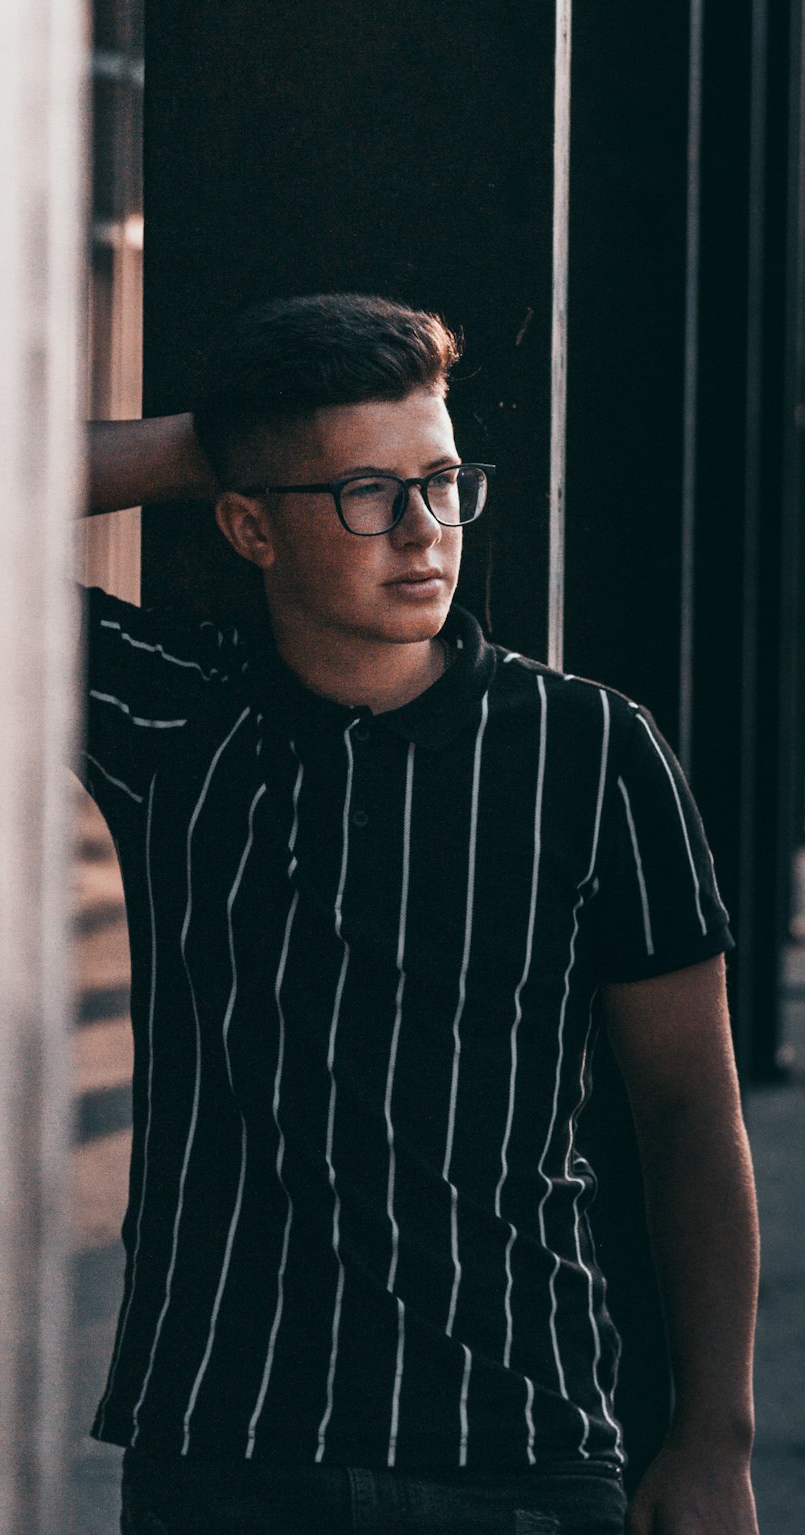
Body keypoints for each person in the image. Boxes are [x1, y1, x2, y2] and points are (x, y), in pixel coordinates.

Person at [79, 294, 759, 1535]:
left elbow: (684, 1108)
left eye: (443, 481)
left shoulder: (592, 750)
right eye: (365, 492)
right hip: (224, 1448)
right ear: (248, 527)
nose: (424, 530)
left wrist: (714, 1435)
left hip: (523, 1446)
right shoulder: (175, 727)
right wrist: (209, 441)